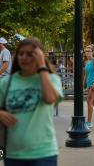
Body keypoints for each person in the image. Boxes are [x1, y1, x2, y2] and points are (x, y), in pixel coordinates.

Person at [0, 37, 63, 166]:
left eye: (30, 54)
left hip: (44, 154)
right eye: (21, 53)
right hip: (13, 154)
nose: (24, 57)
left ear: (39, 56)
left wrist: (41, 67)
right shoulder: (6, 83)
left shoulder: (52, 79)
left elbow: (50, 98)